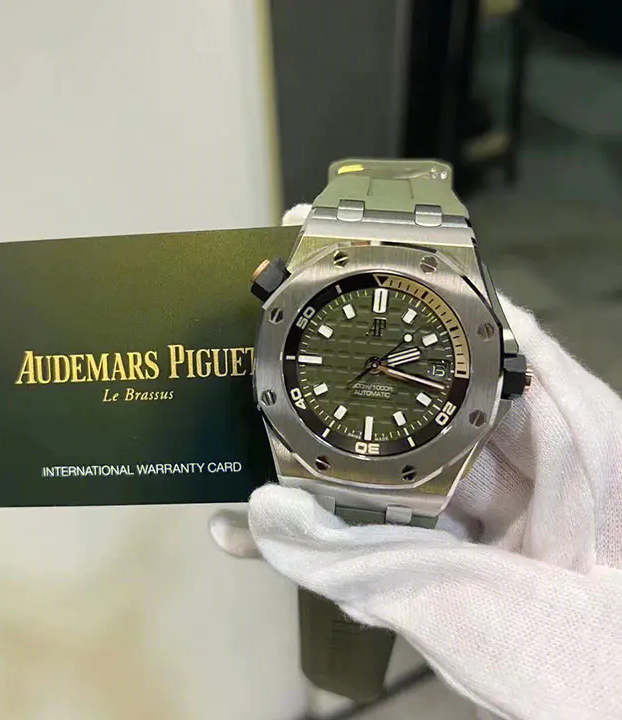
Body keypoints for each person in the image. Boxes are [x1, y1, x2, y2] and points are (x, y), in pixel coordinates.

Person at [210, 205, 622, 720]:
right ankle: (336, 674)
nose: (376, 367)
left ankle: (340, 676)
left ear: (504, 375)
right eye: (375, 366)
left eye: (382, 366)